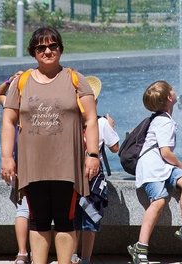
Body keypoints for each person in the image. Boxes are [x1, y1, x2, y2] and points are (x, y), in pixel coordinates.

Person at [0, 27, 100, 264]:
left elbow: (91, 119)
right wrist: (6, 157)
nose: (48, 51)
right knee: (37, 219)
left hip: (67, 165)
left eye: (53, 46)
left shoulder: (76, 79)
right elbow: (8, 120)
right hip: (33, 165)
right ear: (33, 52)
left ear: (60, 49)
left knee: (66, 219)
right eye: (41, 47)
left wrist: (93, 154)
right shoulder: (21, 82)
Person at [127, 80, 182, 264]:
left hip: (162, 166)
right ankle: (140, 246)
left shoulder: (162, 119)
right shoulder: (164, 122)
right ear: (170, 97)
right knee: (159, 201)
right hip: (152, 167)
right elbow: (165, 152)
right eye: (172, 90)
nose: (175, 91)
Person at [73, 75, 121, 264]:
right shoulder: (101, 123)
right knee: (90, 220)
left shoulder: (72, 123)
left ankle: (71, 255)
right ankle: (86, 258)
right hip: (94, 178)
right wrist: (111, 126)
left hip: (72, 175)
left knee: (72, 219)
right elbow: (115, 148)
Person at [0, 71, 31, 264]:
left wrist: (10, 81)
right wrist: (11, 80)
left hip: (20, 161)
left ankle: (22, 253)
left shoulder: (14, 105)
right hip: (31, 162)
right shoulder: (20, 104)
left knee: (23, 208)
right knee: (31, 209)